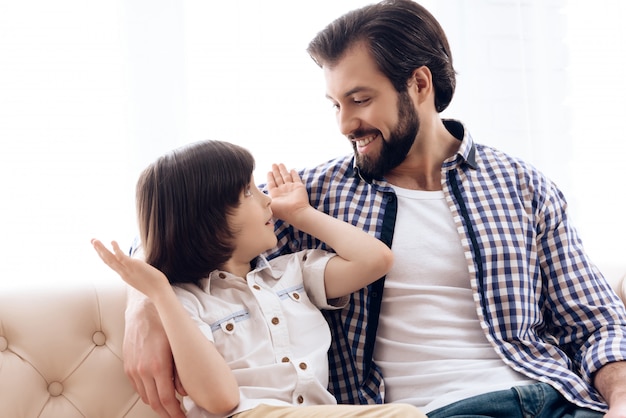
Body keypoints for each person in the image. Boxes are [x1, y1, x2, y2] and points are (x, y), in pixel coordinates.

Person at [122, 1, 626, 417]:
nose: (345, 123)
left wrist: (620, 398)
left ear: (420, 85)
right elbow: (187, 220)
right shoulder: (312, 194)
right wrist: (143, 304)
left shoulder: (522, 186)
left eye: (359, 100)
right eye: (335, 104)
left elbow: (596, 322)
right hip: (432, 411)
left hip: (558, 398)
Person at [92, 140, 426, 418]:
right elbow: (221, 400)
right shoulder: (185, 301)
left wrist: (300, 214)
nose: (267, 198)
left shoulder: (292, 273)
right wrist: (160, 294)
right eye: (249, 192)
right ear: (208, 218)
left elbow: (376, 260)